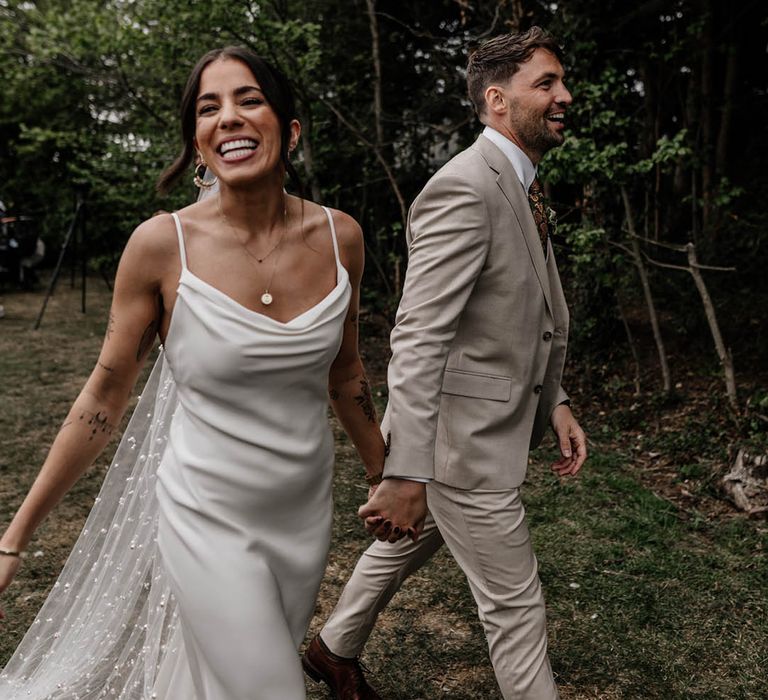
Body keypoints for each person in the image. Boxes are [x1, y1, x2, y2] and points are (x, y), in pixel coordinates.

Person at [0, 46, 386, 699]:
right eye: (209, 109)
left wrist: (388, 474)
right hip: (205, 513)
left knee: (213, 683)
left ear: (289, 131)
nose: (229, 118)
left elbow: (347, 375)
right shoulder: (160, 246)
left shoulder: (341, 236)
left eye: (249, 100)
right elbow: (103, 396)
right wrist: (13, 540)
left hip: (301, 514)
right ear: (197, 145)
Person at [302, 27, 587, 700]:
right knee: (516, 607)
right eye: (545, 83)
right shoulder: (464, 188)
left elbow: (523, 318)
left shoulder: (520, 183)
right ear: (496, 100)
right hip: (459, 442)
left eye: (561, 81)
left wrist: (557, 401)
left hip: (481, 426)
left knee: (409, 542)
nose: (564, 96)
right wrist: (406, 471)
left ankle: (331, 648)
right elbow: (421, 335)